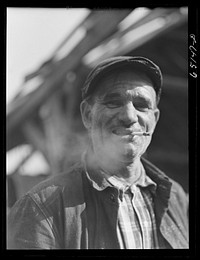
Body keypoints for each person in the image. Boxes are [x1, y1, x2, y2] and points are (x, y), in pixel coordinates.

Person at [7, 56, 189, 249]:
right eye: (113, 102)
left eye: (141, 105)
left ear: (155, 118)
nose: (129, 116)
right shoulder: (40, 208)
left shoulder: (175, 198)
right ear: (87, 115)